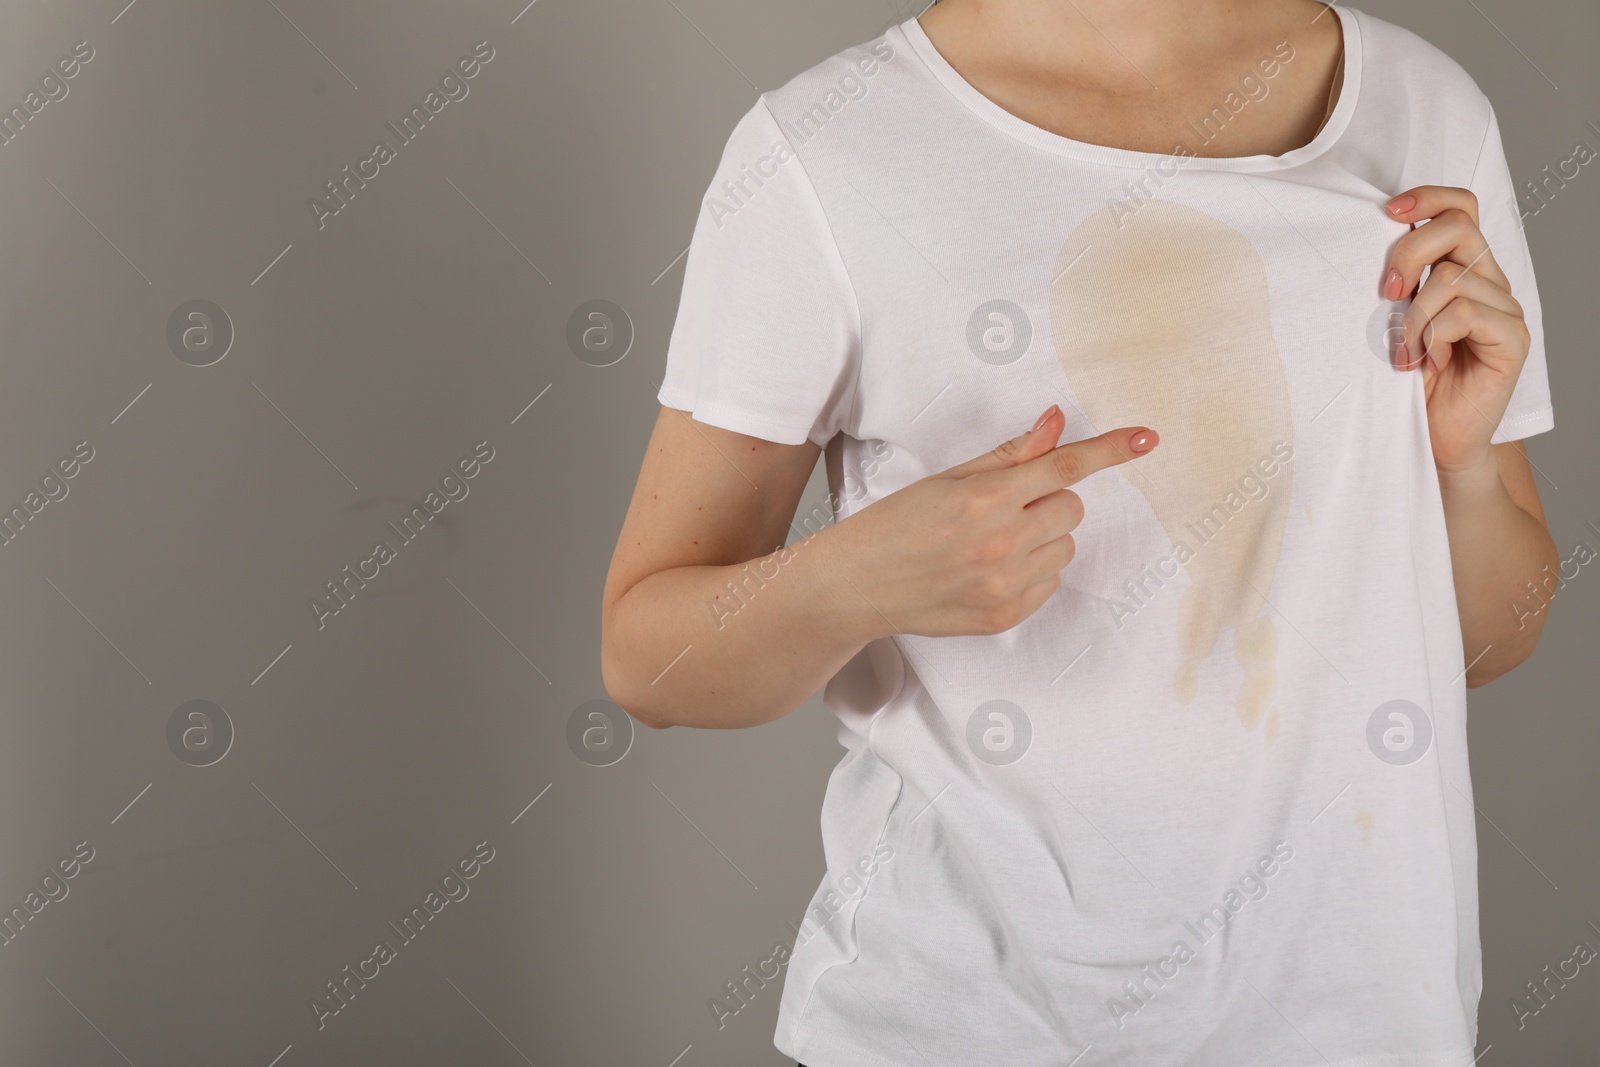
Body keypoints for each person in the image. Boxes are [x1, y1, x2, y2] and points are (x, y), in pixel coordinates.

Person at [601, 0, 1558, 1063]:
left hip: (1363, 1019)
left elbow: (1491, 638)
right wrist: (853, 578)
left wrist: (1462, 469)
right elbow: (648, 658)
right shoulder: (827, 146)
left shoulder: (1423, 109)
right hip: (965, 1023)